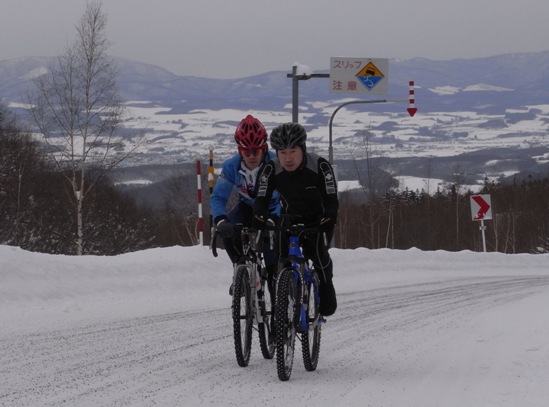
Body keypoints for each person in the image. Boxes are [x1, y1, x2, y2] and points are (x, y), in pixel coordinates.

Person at [253, 122, 339, 316]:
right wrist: (258, 215)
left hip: (318, 219)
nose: (288, 158)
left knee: (317, 252)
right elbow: (261, 199)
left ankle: (326, 284)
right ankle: (282, 300)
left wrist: (329, 216)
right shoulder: (270, 168)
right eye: (282, 153)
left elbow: (331, 200)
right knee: (279, 257)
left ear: (303, 148)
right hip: (288, 217)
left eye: (293, 151)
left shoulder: (319, 165)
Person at [210, 115, 280, 293]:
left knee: (271, 254)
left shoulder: (276, 165)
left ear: (264, 148)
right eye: (245, 151)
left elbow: (285, 198)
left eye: (255, 151)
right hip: (247, 207)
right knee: (228, 232)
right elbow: (218, 197)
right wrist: (220, 220)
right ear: (239, 150)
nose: (250, 156)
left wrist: (273, 218)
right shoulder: (231, 166)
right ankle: (241, 270)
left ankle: (273, 287)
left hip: (272, 209)